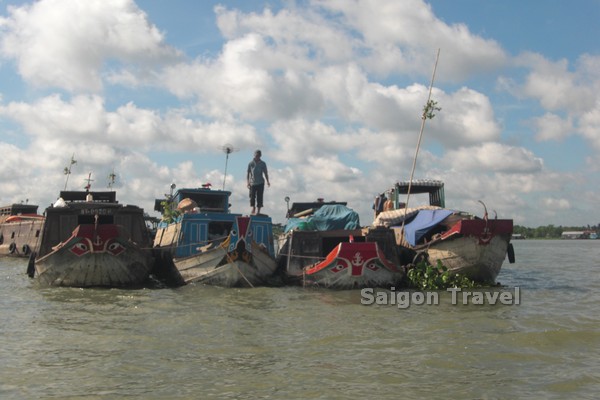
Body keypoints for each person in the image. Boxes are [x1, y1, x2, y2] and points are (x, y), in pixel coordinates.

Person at [246, 149, 270, 214]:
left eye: (258, 155)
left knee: (260, 197)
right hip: (252, 183)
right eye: (256, 155)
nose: (257, 156)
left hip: (260, 182)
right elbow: (248, 173)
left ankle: (258, 211)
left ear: (260, 156)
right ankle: (253, 207)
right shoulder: (251, 163)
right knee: (252, 196)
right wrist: (248, 182)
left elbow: (265, 173)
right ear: (254, 155)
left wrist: (268, 181)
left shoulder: (263, 163)